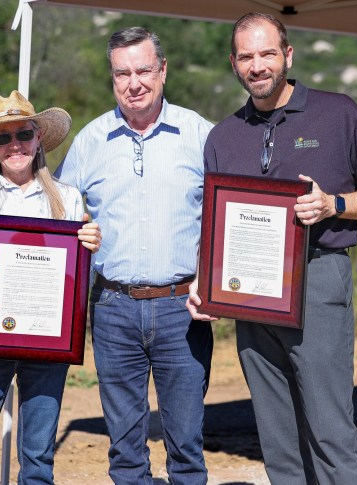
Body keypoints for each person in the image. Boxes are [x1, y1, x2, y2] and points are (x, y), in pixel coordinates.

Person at [187, 13, 357, 485]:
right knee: (277, 437)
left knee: (329, 430)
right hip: (250, 296)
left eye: (267, 53)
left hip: (319, 281)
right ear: (233, 63)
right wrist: (205, 282)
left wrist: (335, 204)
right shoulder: (223, 136)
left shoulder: (338, 113)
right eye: (246, 56)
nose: (257, 65)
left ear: (288, 55)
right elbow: (215, 223)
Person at [54, 27, 214, 485]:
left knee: (186, 445)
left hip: (182, 308)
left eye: (143, 70)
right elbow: (53, 210)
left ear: (163, 71)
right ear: (112, 78)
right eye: (122, 73)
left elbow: (230, 215)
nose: (134, 82)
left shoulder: (198, 133)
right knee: (125, 451)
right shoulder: (91, 140)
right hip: (112, 310)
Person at [0, 90, 101, 484]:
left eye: (23, 134)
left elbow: (79, 282)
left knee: (38, 461)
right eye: (3, 137)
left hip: (47, 347)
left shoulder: (66, 199)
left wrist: (90, 252)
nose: (15, 145)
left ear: (38, 138)